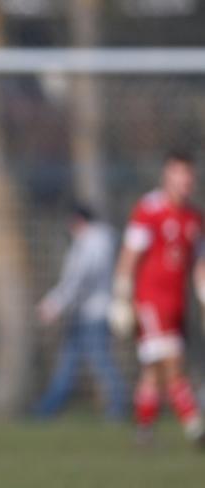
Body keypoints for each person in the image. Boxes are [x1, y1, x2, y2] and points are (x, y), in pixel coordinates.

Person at [110, 150, 205, 446]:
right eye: (179, 174)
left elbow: (199, 264)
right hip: (150, 301)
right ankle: (195, 426)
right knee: (172, 364)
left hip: (177, 304)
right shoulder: (149, 210)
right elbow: (129, 254)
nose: (185, 181)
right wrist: (122, 295)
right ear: (167, 176)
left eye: (189, 176)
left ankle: (143, 429)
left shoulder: (194, 218)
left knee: (153, 371)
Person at [33, 205, 128, 420]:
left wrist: (54, 304)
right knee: (68, 364)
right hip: (82, 314)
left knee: (101, 363)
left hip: (94, 314)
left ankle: (118, 408)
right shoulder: (97, 242)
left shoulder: (92, 244)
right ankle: (47, 409)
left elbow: (79, 279)